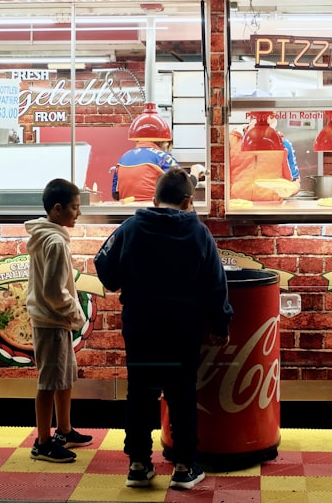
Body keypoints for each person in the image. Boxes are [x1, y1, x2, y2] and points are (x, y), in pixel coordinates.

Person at [94, 167, 233, 490]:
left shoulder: (130, 227)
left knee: (140, 394)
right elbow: (216, 284)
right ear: (188, 202)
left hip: (141, 327)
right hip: (182, 329)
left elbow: (105, 268)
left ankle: (139, 465)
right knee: (181, 394)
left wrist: (122, 280)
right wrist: (220, 322)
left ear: (155, 199)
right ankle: (184, 467)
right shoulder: (199, 234)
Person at [24, 178, 94, 463]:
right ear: (57, 209)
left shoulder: (51, 237)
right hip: (51, 320)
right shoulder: (54, 242)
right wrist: (75, 313)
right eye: (74, 208)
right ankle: (42, 442)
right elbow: (54, 291)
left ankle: (63, 430)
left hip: (55, 320)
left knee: (64, 377)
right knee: (49, 382)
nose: (78, 213)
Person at [228, 115, 300, 202]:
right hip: (237, 207)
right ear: (251, 117)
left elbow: (294, 180)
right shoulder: (230, 141)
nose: (266, 121)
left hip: (271, 208)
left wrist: (290, 190)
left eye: (271, 117)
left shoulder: (283, 144)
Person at [109, 139, 181, 201]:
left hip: (127, 213)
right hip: (155, 211)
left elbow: (115, 194)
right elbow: (183, 184)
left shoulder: (123, 157)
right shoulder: (163, 156)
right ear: (166, 144)